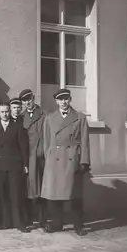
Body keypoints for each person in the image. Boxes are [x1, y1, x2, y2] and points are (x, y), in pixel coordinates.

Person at [41, 89, 90, 236]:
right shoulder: (49, 118)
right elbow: (46, 141)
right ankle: (57, 223)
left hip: (71, 158)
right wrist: (48, 158)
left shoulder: (80, 117)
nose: (64, 102)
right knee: (55, 195)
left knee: (74, 195)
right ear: (56, 101)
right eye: (61, 99)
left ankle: (78, 225)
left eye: (66, 99)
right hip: (54, 159)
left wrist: (84, 161)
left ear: (70, 100)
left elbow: (85, 141)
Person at [0, 100, 30, 232]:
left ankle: (19, 223)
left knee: (16, 195)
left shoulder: (17, 126)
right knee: (3, 195)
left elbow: (23, 147)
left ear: (10, 112)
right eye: (2, 112)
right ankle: (6, 222)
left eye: (7, 111)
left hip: (14, 166)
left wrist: (25, 165)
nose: (5, 114)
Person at [19, 89, 47, 229]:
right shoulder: (21, 116)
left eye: (29, 99)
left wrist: (42, 152)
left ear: (33, 98)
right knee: (28, 187)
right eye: (24, 100)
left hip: (40, 156)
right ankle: (28, 218)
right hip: (27, 156)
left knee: (41, 188)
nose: (27, 102)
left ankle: (43, 219)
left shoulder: (43, 115)